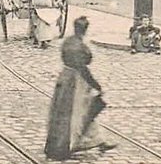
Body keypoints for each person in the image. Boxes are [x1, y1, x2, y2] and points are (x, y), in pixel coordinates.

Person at [44, 16, 116, 159]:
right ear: (85, 30)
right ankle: (67, 145)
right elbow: (83, 68)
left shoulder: (68, 41)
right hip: (76, 82)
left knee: (67, 112)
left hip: (64, 77)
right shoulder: (79, 46)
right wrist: (96, 85)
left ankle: (97, 140)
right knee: (79, 113)